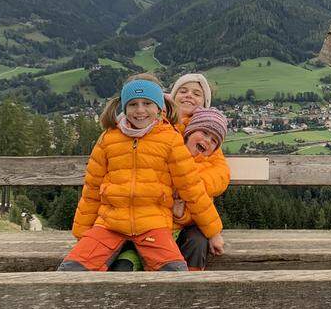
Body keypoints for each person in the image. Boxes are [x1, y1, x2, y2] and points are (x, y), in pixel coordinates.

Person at [58, 74, 224, 272]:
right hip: (110, 224)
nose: (140, 111)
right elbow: (92, 190)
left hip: (153, 224)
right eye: (133, 104)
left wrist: (213, 232)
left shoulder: (170, 140)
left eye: (147, 103)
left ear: (159, 108)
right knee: (72, 269)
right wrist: (82, 233)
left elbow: (192, 189)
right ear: (124, 108)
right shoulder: (108, 140)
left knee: (174, 272)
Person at [171, 106, 230, 270]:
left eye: (213, 141)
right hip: (157, 222)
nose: (207, 140)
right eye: (204, 133)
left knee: (197, 241)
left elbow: (203, 204)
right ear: (188, 132)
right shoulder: (170, 151)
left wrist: (182, 215)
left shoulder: (207, 165)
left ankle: (193, 285)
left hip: (189, 223)